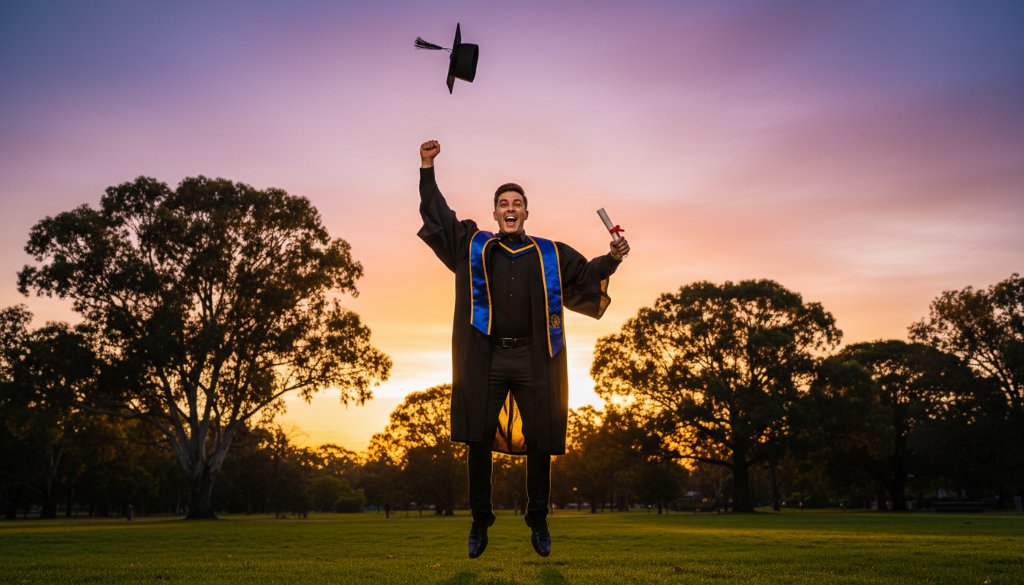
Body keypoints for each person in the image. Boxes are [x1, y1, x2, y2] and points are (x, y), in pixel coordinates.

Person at [417, 139, 629, 558]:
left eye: (517, 203)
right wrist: (427, 167)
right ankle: (480, 520)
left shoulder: (549, 253)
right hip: (487, 357)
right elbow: (440, 216)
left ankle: (539, 520)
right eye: (503, 203)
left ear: (527, 212)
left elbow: (585, 277)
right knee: (477, 436)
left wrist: (613, 258)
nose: (510, 209)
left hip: (535, 358)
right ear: (495, 212)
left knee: (541, 439)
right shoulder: (474, 246)